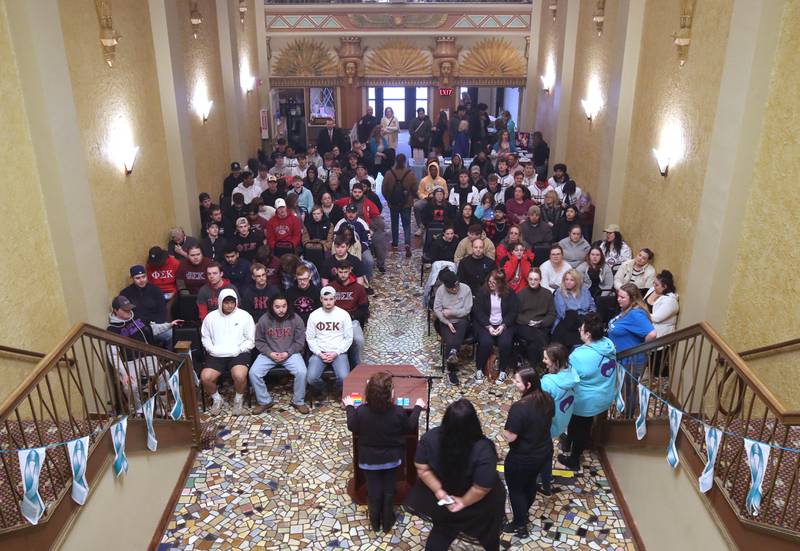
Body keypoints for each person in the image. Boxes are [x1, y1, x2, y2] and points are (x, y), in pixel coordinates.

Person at [405, 398, 505, 551]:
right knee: (489, 537)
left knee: (442, 533)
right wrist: (463, 502)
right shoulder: (484, 449)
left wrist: (439, 490)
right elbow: (481, 487)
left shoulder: (430, 438)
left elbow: (422, 468)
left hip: (447, 499)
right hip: (480, 507)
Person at [344, 373, 424, 532]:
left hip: (368, 460)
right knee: (389, 489)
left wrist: (349, 406)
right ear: (391, 394)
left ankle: (374, 521)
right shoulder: (398, 412)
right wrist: (418, 407)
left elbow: (352, 425)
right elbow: (410, 426)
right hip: (392, 459)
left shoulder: (361, 412)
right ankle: (388, 521)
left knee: (373, 489)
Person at [558, 314, 617, 470]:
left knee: (579, 427)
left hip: (585, 400)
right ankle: (569, 442)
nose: (579, 330)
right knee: (584, 424)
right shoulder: (608, 344)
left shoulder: (580, 355)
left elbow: (569, 379)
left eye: (581, 328)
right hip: (604, 395)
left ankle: (574, 459)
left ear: (588, 334)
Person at [502, 368, 554, 537]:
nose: (514, 384)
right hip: (543, 453)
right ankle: (524, 513)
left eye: (517, 381)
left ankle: (519, 524)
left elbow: (510, 437)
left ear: (528, 384)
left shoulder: (519, 408)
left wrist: (505, 430)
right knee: (530, 484)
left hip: (522, 457)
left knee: (516, 490)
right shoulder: (547, 399)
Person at [249, 295, 310, 414]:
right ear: (272, 307)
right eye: (277, 307)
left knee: (302, 372)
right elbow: (259, 341)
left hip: (290, 353)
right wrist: (270, 353)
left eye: (284, 306)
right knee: (253, 372)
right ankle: (264, 401)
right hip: (269, 354)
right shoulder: (264, 320)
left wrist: (288, 353)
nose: (281, 310)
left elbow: (300, 341)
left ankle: (298, 401)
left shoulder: (296, 319)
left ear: (288, 306)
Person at [200, 289, 254, 415]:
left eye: (232, 302)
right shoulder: (210, 317)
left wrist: (239, 349)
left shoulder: (245, 316)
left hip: (239, 353)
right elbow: (205, 337)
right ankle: (217, 399)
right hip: (216, 354)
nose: (230, 305)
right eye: (226, 302)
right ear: (220, 302)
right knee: (206, 377)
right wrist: (211, 349)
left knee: (240, 375)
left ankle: (238, 400)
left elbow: (250, 340)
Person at [609, 284, 657, 413]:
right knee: (624, 388)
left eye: (622, 297)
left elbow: (652, 334)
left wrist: (641, 348)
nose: (618, 299)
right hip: (621, 358)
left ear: (632, 298)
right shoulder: (626, 310)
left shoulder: (636, 314)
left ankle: (628, 416)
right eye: (618, 296)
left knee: (629, 389)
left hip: (631, 359)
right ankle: (624, 411)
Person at [540, 344, 580, 495]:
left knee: (544, 450)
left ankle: (546, 478)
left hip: (550, 423)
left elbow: (539, 407)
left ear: (555, 362)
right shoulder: (571, 371)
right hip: (563, 419)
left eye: (546, 358)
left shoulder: (548, 382)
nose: (543, 361)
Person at [472, 270, 519, 385]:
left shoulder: (510, 293)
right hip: (486, 324)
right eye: (489, 282)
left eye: (494, 283)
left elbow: (513, 312)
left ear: (501, 283)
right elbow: (478, 311)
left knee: (505, 343)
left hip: (504, 324)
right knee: (485, 342)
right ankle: (479, 369)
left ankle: (503, 370)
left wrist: (503, 325)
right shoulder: (482, 292)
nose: (491, 285)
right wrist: (488, 326)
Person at [306, 286, 353, 398]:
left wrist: (336, 352)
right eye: (326, 299)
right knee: (311, 378)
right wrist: (319, 353)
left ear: (335, 299)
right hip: (320, 352)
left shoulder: (344, 314)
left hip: (338, 352)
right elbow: (310, 338)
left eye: (331, 299)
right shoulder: (314, 316)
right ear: (321, 299)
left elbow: (348, 338)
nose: (328, 302)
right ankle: (325, 388)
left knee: (344, 377)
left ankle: (336, 389)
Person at [434, 268, 473, 386]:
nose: (455, 290)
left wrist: (452, 312)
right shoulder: (441, 291)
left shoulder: (466, 289)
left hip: (461, 320)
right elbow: (437, 309)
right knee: (450, 339)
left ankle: (452, 357)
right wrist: (447, 321)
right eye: (451, 289)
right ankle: (452, 362)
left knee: (460, 327)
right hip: (445, 321)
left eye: (456, 287)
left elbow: (467, 310)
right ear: (446, 287)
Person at [330, 261, 369, 368]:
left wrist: (351, 316)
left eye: (345, 272)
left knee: (359, 340)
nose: (343, 275)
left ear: (350, 271)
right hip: (333, 322)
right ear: (336, 271)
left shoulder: (358, 288)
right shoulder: (331, 287)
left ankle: (358, 366)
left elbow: (364, 309)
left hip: (352, 320)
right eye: (341, 272)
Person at [120, 265, 170, 347]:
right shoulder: (125, 293)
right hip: (137, 328)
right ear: (132, 278)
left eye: (143, 277)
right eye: (138, 278)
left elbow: (162, 311)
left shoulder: (155, 290)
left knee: (171, 336)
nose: (141, 280)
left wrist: (156, 325)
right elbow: (126, 314)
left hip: (155, 325)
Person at [515, 269, 556, 367]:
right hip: (525, 326)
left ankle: (532, 367)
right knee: (538, 337)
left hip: (541, 325)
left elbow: (552, 314)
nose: (533, 282)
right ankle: (548, 362)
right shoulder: (521, 293)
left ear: (540, 280)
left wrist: (541, 322)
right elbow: (516, 314)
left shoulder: (547, 294)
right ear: (528, 279)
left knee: (534, 342)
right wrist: (528, 321)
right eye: (530, 279)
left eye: (536, 279)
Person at [382, 153, 417, 257]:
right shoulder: (410, 174)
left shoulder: (389, 173)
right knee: (406, 224)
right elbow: (415, 189)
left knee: (394, 223)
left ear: (396, 161)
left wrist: (388, 199)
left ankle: (395, 242)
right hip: (406, 203)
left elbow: (384, 189)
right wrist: (410, 196)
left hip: (393, 203)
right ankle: (407, 243)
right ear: (405, 161)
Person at [552, 270, 596, 348]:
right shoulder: (560, 292)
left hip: (585, 320)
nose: (568, 282)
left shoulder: (584, 290)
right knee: (571, 314)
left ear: (577, 281)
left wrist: (589, 317)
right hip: (567, 321)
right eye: (566, 279)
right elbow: (562, 313)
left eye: (572, 280)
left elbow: (592, 306)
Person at [415, 162, 448, 235]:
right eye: (431, 170)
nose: (433, 171)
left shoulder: (442, 181)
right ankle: (421, 226)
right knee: (417, 206)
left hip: (440, 200)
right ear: (429, 170)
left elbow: (446, 193)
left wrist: (440, 198)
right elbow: (420, 192)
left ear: (438, 170)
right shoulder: (424, 180)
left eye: (435, 170)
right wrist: (425, 197)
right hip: (427, 199)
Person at [644, 270, 680, 337]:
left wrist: (640, 312)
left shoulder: (670, 301)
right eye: (654, 283)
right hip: (645, 329)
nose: (654, 286)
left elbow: (656, 318)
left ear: (665, 286)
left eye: (657, 285)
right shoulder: (652, 290)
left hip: (658, 335)